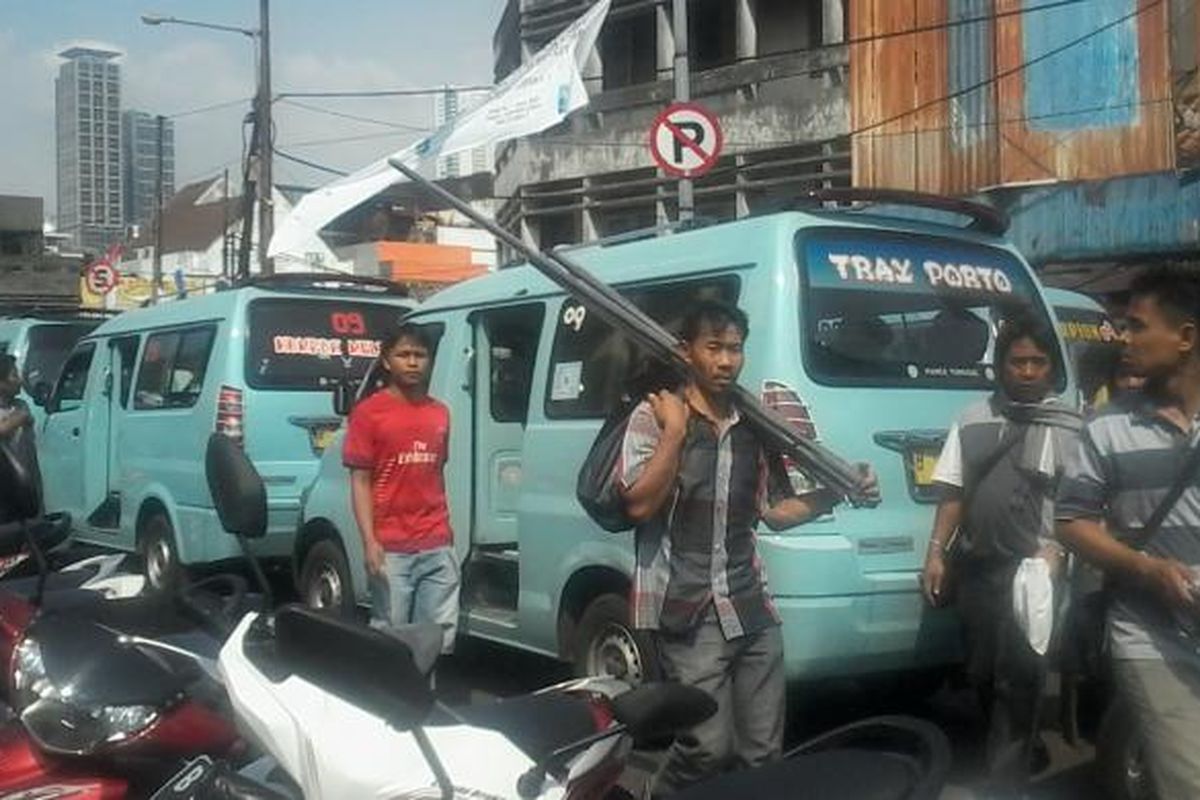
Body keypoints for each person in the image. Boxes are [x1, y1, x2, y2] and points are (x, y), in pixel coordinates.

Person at [619, 301, 878, 797]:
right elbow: (638, 505)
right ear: (686, 351)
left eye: (733, 349)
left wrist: (841, 491)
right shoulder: (654, 417)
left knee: (763, 754)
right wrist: (675, 432)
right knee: (706, 749)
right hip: (687, 608)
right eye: (713, 348)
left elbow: (775, 512)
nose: (724, 361)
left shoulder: (752, 427)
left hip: (751, 605)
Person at [919, 312, 1082, 794]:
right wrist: (935, 553)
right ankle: (1010, 749)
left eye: (1037, 362)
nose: (1027, 371)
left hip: (1034, 573)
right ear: (999, 366)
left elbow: (1081, 503)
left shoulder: (1071, 426)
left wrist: (1057, 553)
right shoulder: (972, 420)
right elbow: (952, 491)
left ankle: (1005, 780)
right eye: (1017, 362)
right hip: (977, 570)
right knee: (982, 671)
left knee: (1022, 676)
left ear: (1051, 367)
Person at [1057, 267, 1200, 800]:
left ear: (1185, 338)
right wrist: (1147, 569)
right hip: (1151, 635)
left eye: (1137, 326)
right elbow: (1071, 522)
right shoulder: (1105, 429)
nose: (1123, 338)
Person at [343, 324, 459, 654]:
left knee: (433, 641)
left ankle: (426, 702)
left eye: (420, 355)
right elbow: (360, 481)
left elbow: (437, 470)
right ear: (386, 360)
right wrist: (370, 541)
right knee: (390, 643)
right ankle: (386, 705)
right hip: (390, 549)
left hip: (437, 544)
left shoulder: (440, 414)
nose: (412, 363)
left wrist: (445, 537)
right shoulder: (368, 414)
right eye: (403, 355)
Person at [0, 355, 39, 523]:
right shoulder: (18, 413)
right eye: (13, 375)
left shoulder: (21, 406)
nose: (19, 380)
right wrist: (17, 419)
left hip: (26, 484)